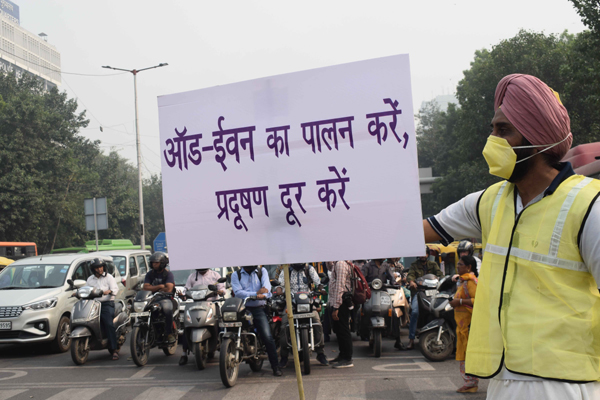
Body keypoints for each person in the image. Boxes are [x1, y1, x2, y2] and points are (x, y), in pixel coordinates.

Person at [423, 74, 600, 399]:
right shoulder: (489, 201)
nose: (492, 140)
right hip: (503, 382)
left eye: (503, 130)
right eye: (492, 130)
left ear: (536, 137)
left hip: (567, 387)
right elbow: (421, 230)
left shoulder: (590, 206)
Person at [230, 265, 282, 377]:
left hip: (258, 308)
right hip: (242, 308)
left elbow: (266, 290)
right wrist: (255, 293)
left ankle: (275, 366)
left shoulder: (262, 271)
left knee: (267, 336)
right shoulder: (236, 274)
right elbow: (238, 292)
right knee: (229, 328)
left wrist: (260, 294)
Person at [277, 263, 328, 368]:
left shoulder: (309, 269)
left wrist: (321, 288)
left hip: (307, 301)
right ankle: (284, 357)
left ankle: (320, 353)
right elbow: (280, 285)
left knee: (317, 322)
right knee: (284, 326)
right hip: (291, 303)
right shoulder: (286, 270)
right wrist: (279, 290)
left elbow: (318, 282)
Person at [178, 268, 225, 366]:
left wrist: (219, 291)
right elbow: (186, 289)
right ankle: (183, 353)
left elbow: (222, 289)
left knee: (220, 324)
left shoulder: (215, 275)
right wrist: (182, 294)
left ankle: (222, 346)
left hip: (211, 304)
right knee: (187, 326)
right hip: (195, 305)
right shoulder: (191, 276)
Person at [449, 255, 479, 393]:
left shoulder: (471, 282)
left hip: (469, 325)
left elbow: (477, 300)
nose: (458, 266)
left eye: (461, 264)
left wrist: (459, 302)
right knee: (465, 352)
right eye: (458, 264)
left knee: (468, 353)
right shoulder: (463, 281)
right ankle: (470, 382)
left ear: (469, 267)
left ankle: (471, 383)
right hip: (463, 324)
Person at [405, 247, 443, 350]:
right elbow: (410, 276)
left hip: (433, 293)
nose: (423, 256)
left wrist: (440, 279)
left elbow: (440, 274)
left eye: (425, 253)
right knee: (415, 312)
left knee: (440, 311)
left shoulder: (433, 264)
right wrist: (412, 282)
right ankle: (411, 339)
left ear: (427, 254)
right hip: (419, 293)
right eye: (421, 253)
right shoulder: (414, 265)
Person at [86, 258, 120, 360]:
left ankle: (114, 349)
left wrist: (108, 291)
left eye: (100, 267)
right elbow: (87, 290)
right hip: (93, 304)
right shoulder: (90, 279)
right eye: (97, 267)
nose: (99, 269)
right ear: (93, 269)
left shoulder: (109, 277)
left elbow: (115, 289)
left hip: (107, 304)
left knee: (109, 324)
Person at [143, 252, 177, 343]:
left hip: (165, 298)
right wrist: (160, 286)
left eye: (156, 262)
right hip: (152, 298)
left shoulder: (168, 274)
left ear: (162, 263)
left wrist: (153, 288)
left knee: (167, 310)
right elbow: (145, 287)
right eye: (153, 262)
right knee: (141, 311)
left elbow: (169, 289)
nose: (154, 264)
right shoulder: (150, 274)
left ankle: (169, 333)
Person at [329, 260, 354, 368]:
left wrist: (336, 306)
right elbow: (329, 268)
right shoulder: (337, 264)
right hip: (338, 301)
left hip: (342, 302)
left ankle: (347, 358)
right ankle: (342, 354)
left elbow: (340, 287)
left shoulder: (341, 264)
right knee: (338, 329)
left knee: (343, 329)